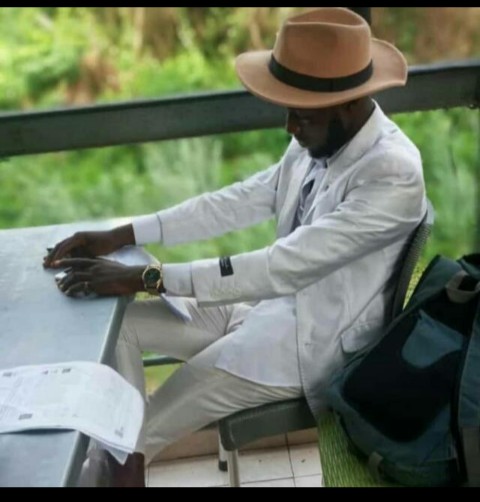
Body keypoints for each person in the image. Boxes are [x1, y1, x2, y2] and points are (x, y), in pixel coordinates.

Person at [43, 7, 426, 487]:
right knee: (121, 329)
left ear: (347, 104)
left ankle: (118, 468)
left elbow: (282, 266)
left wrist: (149, 277)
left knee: (138, 429)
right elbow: (240, 200)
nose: (289, 127)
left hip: (311, 347)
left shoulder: (392, 173)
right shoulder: (322, 134)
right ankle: (120, 463)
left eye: (300, 114)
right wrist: (124, 234)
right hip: (264, 312)